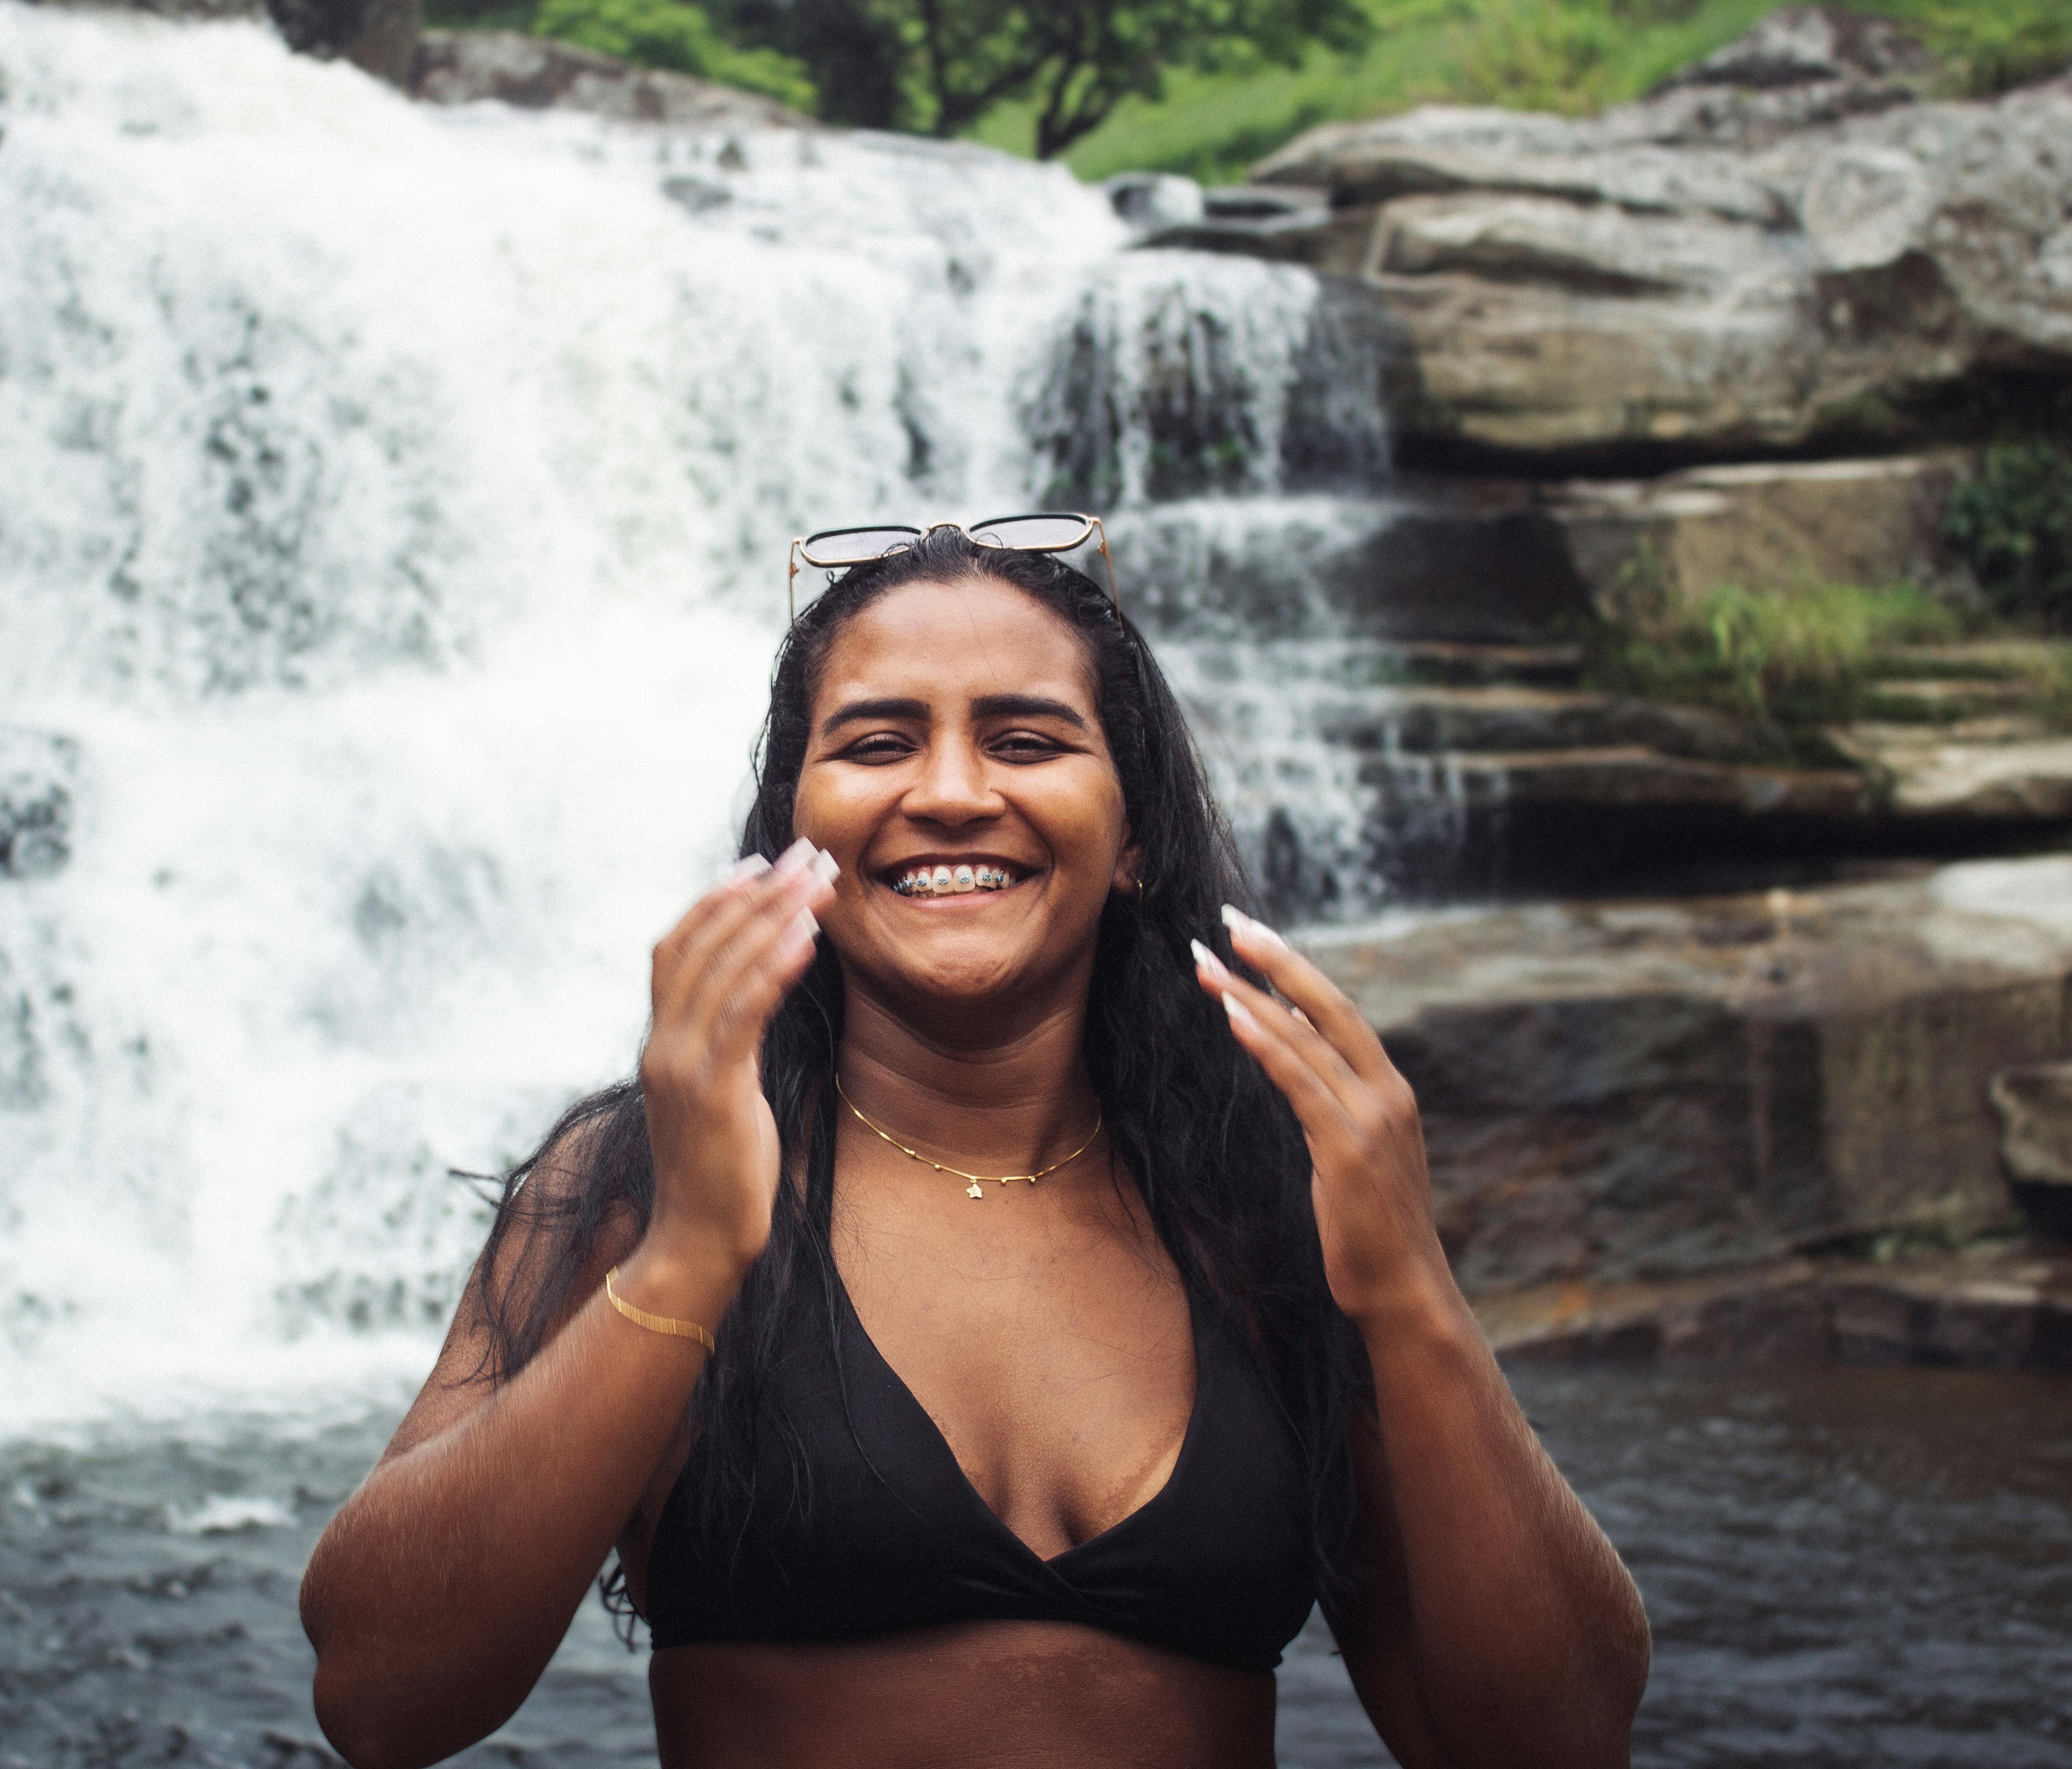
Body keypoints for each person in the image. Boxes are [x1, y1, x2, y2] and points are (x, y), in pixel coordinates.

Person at [298, 519, 1650, 1769]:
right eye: (878, 743)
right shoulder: (640, 1180)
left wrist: (1409, 1293)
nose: (951, 793)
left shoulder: (1262, 1204)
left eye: (1026, 739)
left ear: (1131, 834)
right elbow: (378, 1695)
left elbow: (1556, 1742)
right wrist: (689, 1259)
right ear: (797, 831)